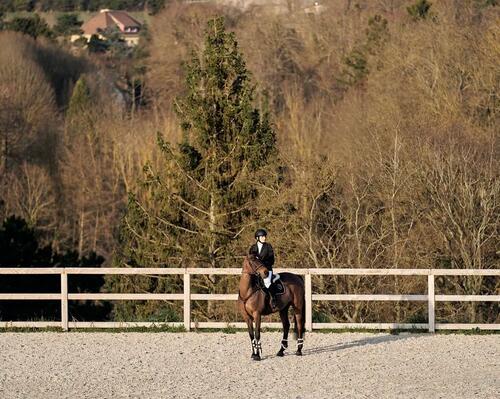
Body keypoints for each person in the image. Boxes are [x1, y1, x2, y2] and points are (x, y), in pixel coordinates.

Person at [249, 228, 278, 309]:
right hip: (255, 271)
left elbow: (272, 260)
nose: (264, 238)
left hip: (266, 270)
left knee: (267, 283)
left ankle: (273, 299)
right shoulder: (253, 248)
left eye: (265, 236)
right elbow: (250, 260)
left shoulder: (268, 247)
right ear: (257, 238)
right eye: (262, 237)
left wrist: (262, 263)